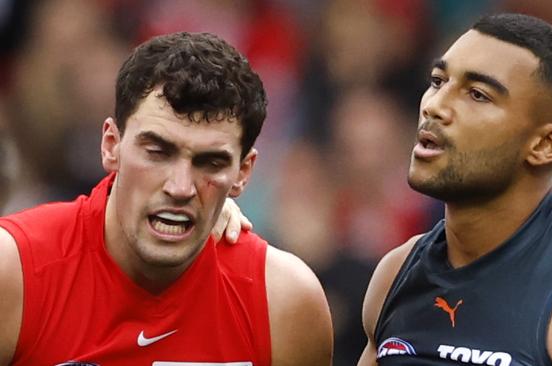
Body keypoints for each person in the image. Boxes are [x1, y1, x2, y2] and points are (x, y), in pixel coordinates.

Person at [0, 32, 332, 365]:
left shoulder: (284, 302)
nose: (180, 187)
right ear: (111, 145)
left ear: (243, 173)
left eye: (210, 162)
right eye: (158, 152)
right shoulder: (13, 274)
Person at [357, 13, 552, 365]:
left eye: (477, 95)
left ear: (545, 144)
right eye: (437, 81)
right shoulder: (396, 274)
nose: (434, 106)